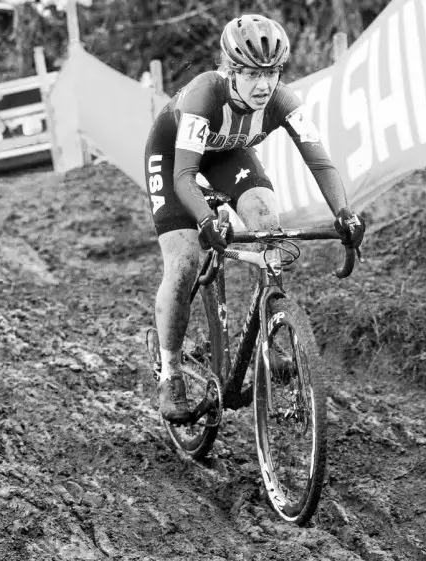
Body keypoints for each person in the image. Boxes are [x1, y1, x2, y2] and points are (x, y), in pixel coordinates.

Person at [143, 14, 366, 424]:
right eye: (251, 73)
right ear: (229, 70)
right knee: (184, 260)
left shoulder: (281, 101)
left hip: (228, 154)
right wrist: (206, 220)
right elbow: (184, 177)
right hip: (176, 156)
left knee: (266, 220)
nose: (264, 85)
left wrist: (344, 213)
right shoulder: (203, 96)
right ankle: (170, 372)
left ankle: (270, 330)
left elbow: (320, 160)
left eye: (273, 72)